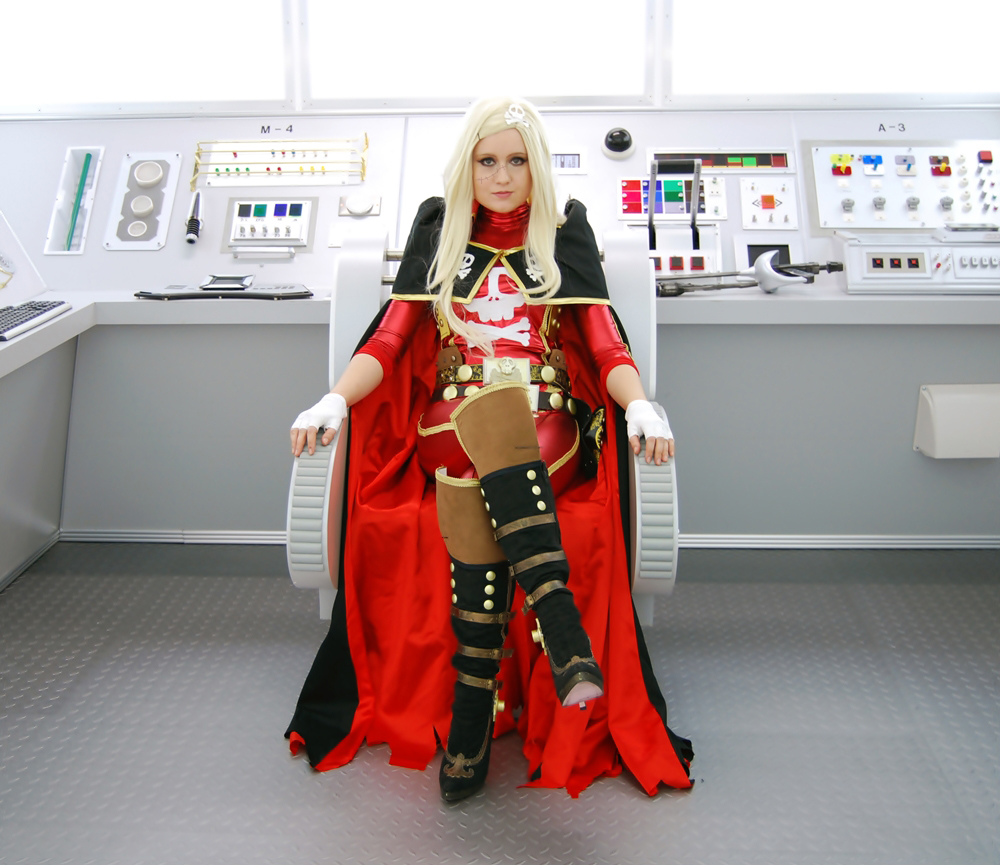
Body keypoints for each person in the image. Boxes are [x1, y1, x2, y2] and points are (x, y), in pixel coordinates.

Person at [287, 96, 693, 801]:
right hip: (450, 420)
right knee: (486, 433)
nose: (501, 177)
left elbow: (604, 346)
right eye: (486, 161)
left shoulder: (563, 234)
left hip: (547, 423)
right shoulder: (439, 230)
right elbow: (390, 339)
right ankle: (559, 622)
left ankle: (471, 718)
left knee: (497, 461)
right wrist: (333, 399)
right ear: (466, 167)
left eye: (516, 161)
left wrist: (638, 405)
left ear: (537, 169)